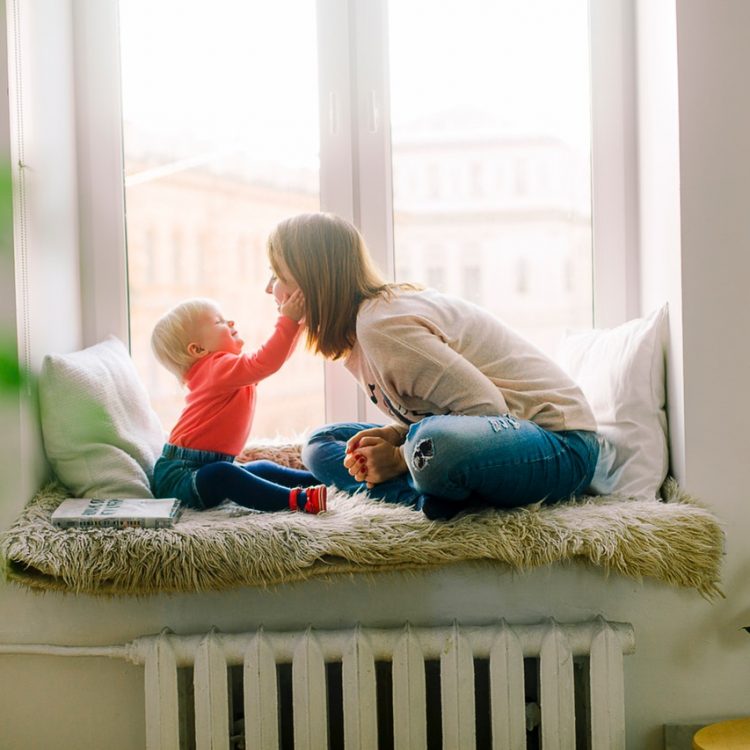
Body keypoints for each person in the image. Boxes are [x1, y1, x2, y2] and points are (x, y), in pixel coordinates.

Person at [265, 212, 599, 520]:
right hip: (490, 437)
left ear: (313, 284)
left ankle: (425, 487)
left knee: (432, 445)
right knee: (322, 443)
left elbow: (488, 409)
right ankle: (429, 496)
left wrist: (397, 457)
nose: (270, 288)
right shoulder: (359, 334)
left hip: (560, 445)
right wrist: (398, 437)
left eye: (278, 275)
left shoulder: (381, 326)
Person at [150, 294, 327, 514]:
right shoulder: (216, 369)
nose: (230, 322)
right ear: (197, 350)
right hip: (180, 476)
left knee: (260, 468)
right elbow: (266, 361)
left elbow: (272, 362)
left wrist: (298, 326)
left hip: (203, 466)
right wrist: (288, 321)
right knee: (224, 475)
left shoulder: (225, 371)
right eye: (219, 322)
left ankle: (322, 480)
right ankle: (298, 500)